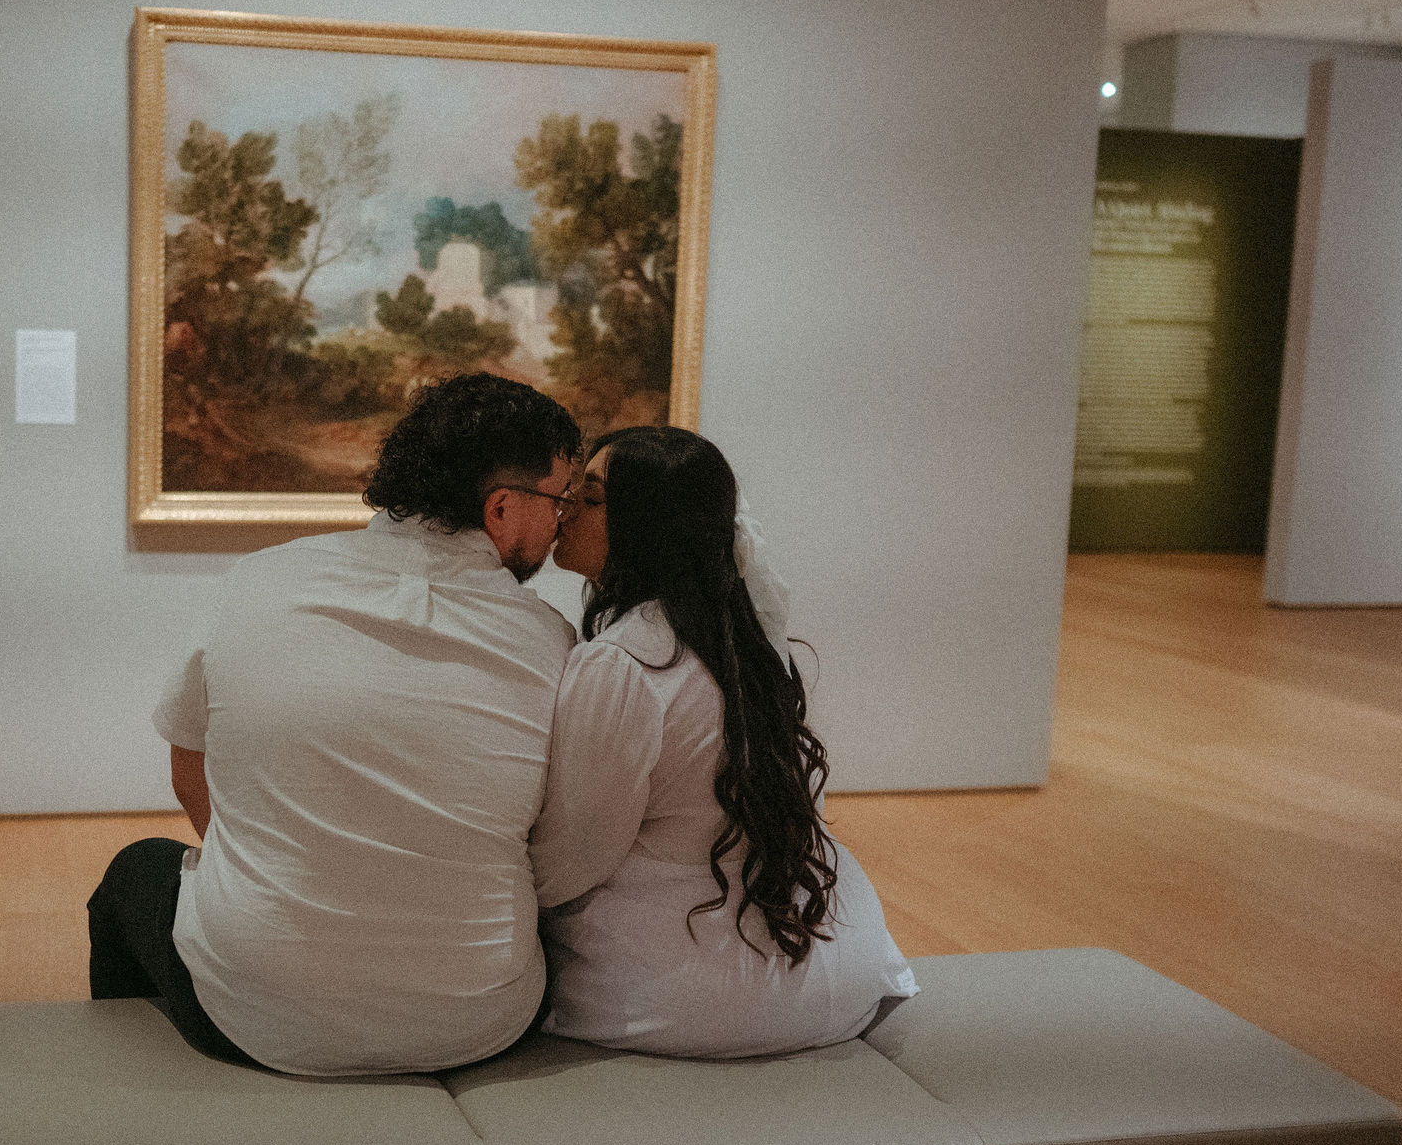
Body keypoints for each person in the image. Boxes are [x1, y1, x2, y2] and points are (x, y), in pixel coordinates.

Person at [91, 372, 584, 1074]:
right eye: (560, 500)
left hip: (254, 1015)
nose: (563, 519)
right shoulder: (550, 642)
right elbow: (553, 839)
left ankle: (129, 1103)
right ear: (501, 508)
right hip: (480, 1018)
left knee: (132, 872)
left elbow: (187, 765)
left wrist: (282, 873)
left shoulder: (258, 581)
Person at [531, 425, 917, 1057]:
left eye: (591, 498)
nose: (565, 509)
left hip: (694, 999)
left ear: (647, 525)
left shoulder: (624, 663)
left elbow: (577, 853)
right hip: (829, 976)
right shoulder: (750, 645)